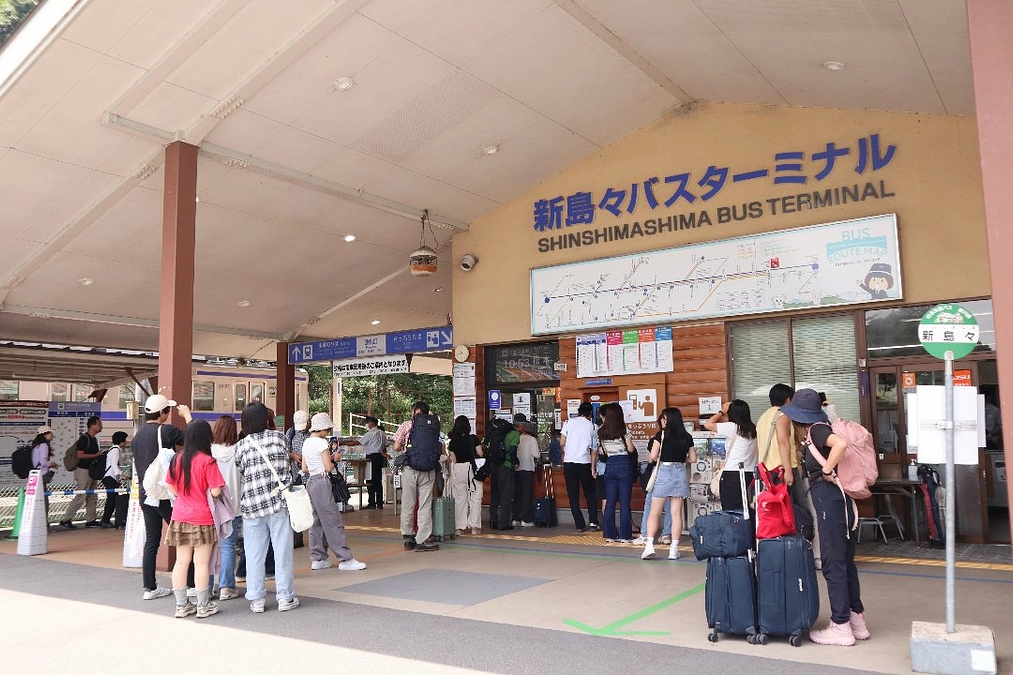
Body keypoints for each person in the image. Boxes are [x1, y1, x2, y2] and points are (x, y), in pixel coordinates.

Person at [779, 389, 869, 646]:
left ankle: (840, 625)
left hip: (831, 502)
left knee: (832, 562)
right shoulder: (820, 428)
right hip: (841, 501)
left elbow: (840, 445)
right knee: (844, 561)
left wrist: (827, 469)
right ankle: (856, 620)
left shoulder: (817, 430)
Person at [234, 401, 299, 613]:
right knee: (282, 552)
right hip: (278, 503)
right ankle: (285, 597)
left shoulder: (241, 446)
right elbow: (286, 463)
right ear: (266, 419)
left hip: (252, 506)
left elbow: (242, 471)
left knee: (254, 554)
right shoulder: (279, 438)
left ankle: (256, 599)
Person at [164, 419, 227, 619]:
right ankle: (203, 606)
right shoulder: (208, 461)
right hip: (202, 517)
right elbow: (216, 491)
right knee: (201, 564)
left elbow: (169, 486)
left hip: (180, 516)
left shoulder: (177, 459)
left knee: (181, 562)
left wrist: (183, 495)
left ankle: (182, 606)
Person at [132, 394, 191, 600]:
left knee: (152, 540)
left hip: (146, 494)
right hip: (165, 494)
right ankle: (191, 584)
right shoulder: (166, 431)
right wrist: (187, 417)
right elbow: (193, 438)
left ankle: (150, 588)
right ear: (163, 412)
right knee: (184, 536)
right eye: (168, 410)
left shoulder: (137, 436)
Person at [301, 412, 367, 572]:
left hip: (311, 482)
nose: (328, 432)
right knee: (332, 520)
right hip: (322, 482)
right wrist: (334, 459)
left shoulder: (306, 442)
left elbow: (304, 468)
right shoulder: (321, 443)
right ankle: (345, 559)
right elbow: (328, 467)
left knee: (316, 521)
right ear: (322, 428)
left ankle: (318, 558)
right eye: (327, 429)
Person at [642, 407, 696, 561]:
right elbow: (693, 458)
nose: (661, 421)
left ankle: (649, 546)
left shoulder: (661, 435)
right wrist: (680, 459)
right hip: (680, 474)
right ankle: (674, 549)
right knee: (676, 514)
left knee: (654, 512)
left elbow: (652, 457)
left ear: (668, 419)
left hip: (664, 473)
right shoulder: (687, 437)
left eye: (663, 418)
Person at [393, 401, 441, 552]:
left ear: (417, 411)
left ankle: (408, 537)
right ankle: (422, 540)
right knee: (425, 504)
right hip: (428, 469)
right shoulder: (434, 425)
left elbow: (396, 447)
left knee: (408, 503)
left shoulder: (407, 425)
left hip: (410, 468)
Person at [704, 400, 758, 511]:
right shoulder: (753, 429)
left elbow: (707, 424)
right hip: (750, 474)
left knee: (731, 509)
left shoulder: (732, 427)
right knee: (748, 509)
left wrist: (721, 411)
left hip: (732, 474)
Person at [211, 415, 242, 601]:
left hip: (212, 506)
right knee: (228, 546)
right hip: (233, 506)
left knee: (209, 547)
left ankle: (207, 587)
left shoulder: (209, 451)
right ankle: (226, 587)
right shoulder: (239, 450)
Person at [598, 404, 637, 543]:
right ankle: (625, 535)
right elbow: (631, 449)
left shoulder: (601, 432)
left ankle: (609, 534)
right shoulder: (623, 430)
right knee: (625, 502)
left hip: (610, 465)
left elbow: (603, 451)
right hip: (623, 464)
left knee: (610, 502)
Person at [59, 415, 105, 529]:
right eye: (99, 424)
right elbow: (79, 455)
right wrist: (96, 455)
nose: (101, 426)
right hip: (83, 471)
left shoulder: (94, 439)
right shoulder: (84, 439)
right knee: (81, 495)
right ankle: (66, 519)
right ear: (92, 425)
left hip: (91, 471)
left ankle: (91, 519)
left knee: (92, 496)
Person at [560, 403, 599, 533]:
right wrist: (593, 468)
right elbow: (594, 449)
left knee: (573, 495)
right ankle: (593, 522)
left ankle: (579, 525)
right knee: (590, 494)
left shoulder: (568, 423)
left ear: (579, 411)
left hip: (569, 463)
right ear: (590, 414)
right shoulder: (593, 426)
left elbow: (561, 442)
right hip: (585, 463)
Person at [756, 384, 798, 489]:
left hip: (767, 470)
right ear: (788, 399)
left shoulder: (762, 417)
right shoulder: (783, 415)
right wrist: (788, 471)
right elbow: (782, 441)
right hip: (782, 469)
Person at [447, 415, 483, 535]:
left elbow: (454, 459)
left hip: (458, 469)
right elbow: (480, 454)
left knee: (459, 498)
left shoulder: (452, 442)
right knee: (475, 497)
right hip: (472, 469)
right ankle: (474, 527)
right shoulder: (473, 438)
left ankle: (459, 527)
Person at [512, 421, 540, 527]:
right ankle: (526, 519)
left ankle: (515, 518)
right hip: (527, 469)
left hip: (516, 469)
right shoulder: (531, 439)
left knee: (517, 494)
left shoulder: (516, 438)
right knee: (526, 494)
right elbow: (536, 454)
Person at [98, 431, 128, 529]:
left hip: (109, 477)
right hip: (110, 477)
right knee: (111, 500)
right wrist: (121, 475)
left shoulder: (113, 449)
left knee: (111, 499)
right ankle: (105, 520)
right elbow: (115, 465)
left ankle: (105, 519)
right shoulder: (115, 450)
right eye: (125, 440)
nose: (126, 442)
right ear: (121, 441)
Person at [29, 426, 59, 524]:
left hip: (34, 474)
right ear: (45, 434)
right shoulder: (43, 445)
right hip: (41, 475)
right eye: (50, 433)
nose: (52, 435)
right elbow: (43, 462)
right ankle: (43, 523)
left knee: (37, 499)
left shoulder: (36, 445)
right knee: (43, 500)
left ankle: (37, 522)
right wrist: (52, 464)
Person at [360, 415, 387, 508]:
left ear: (372, 424)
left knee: (370, 480)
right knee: (378, 481)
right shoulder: (382, 433)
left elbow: (359, 442)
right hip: (379, 457)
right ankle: (379, 503)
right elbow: (385, 445)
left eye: (368, 423)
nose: (367, 425)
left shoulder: (370, 433)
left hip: (371, 458)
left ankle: (371, 503)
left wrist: (343, 442)